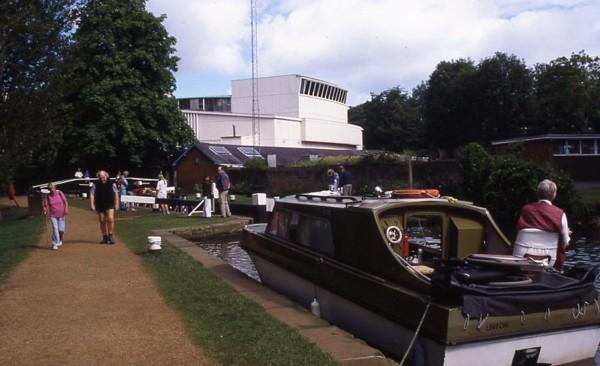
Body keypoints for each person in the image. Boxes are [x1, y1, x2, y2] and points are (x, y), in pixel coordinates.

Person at [513, 179, 571, 270]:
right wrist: (566, 234)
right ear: (554, 195)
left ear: (537, 193)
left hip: (521, 257)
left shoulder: (525, 209)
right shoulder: (560, 214)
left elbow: (518, 231)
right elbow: (565, 243)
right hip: (549, 261)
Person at [90, 170, 119, 244]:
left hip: (110, 203)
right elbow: (92, 194)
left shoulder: (112, 184)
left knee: (110, 219)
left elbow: (116, 193)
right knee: (102, 221)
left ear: (106, 176)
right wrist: (92, 204)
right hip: (100, 204)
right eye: (100, 177)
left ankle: (110, 235)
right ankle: (104, 237)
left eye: (103, 176)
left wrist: (117, 204)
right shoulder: (95, 184)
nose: (102, 178)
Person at [42, 182, 69, 250]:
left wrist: (66, 209)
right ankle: (54, 243)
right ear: (49, 189)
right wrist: (45, 210)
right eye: (50, 188)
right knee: (55, 229)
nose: (52, 189)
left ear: (55, 187)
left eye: (53, 188)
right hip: (53, 215)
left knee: (61, 230)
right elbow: (45, 205)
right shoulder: (48, 196)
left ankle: (60, 240)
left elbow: (65, 201)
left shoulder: (60, 193)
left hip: (61, 214)